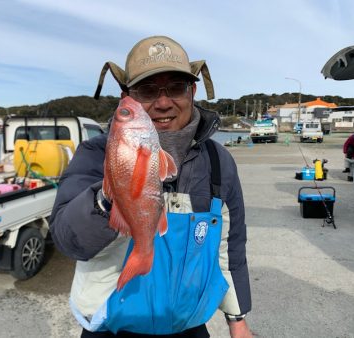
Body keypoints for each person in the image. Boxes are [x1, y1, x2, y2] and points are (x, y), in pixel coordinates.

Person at [50, 36, 252, 338]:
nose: (162, 102)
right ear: (126, 96)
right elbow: (68, 241)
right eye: (146, 90)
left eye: (176, 87)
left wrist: (237, 320)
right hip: (111, 328)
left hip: (189, 327)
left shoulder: (218, 161)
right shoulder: (95, 155)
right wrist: (110, 196)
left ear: (192, 91)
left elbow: (230, 245)